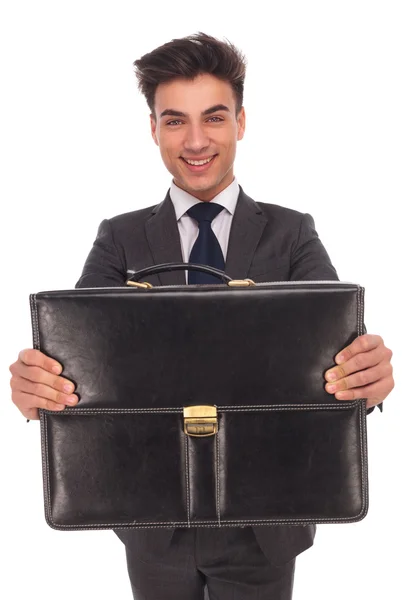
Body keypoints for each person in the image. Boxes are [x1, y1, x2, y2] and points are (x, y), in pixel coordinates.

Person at [9, 33, 394, 600]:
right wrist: (36, 388)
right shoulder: (119, 238)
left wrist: (370, 377)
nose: (195, 141)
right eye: (174, 121)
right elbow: (78, 365)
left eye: (213, 118)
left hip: (266, 513)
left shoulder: (291, 234)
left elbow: (333, 343)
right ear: (153, 129)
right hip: (152, 514)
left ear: (240, 122)